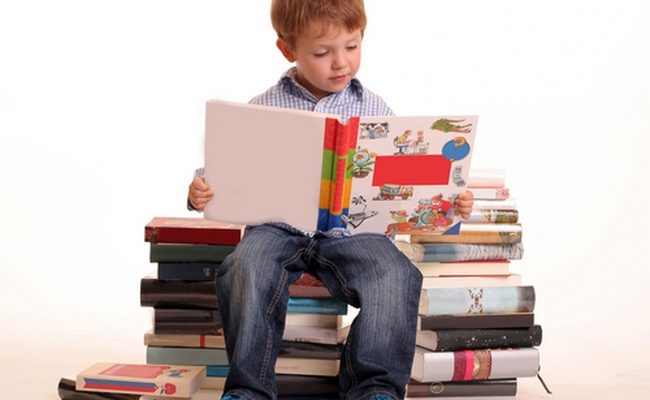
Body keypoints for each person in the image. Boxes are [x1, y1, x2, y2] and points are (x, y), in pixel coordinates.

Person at [188, 1, 474, 399]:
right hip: (278, 227)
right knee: (245, 265)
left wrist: (449, 199)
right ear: (288, 50)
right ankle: (248, 390)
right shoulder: (264, 106)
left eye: (352, 47)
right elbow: (226, 167)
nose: (341, 63)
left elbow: (406, 178)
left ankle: (374, 388)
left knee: (395, 274)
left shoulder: (375, 109)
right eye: (322, 53)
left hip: (353, 230)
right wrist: (201, 187)